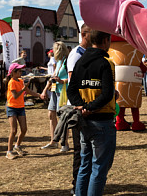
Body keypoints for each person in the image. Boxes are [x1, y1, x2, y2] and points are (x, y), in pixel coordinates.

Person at [68, 30, 116, 196]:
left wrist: (82, 107)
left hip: (84, 121)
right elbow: (108, 94)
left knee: (85, 165)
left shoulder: (80, 62)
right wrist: (90, 107)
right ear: (105, 41)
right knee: (99, 168)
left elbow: (71, 90)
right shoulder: (106, 63)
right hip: (101, 121)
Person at [66, 24, 91, 194]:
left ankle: (86, 184)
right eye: (92, 33)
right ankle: (77, 187)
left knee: (88, 149)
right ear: (84, 34)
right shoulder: (76, 54)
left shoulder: (89, 54)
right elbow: (72, 82)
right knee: (79, 150)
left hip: (89, 108)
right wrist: (80, 105)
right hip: (78, 109)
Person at [40, 41, 70, 152]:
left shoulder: (67, 62)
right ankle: (53, 141)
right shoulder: (58, 62)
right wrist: (44, 90)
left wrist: (62, 81)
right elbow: (53, 77)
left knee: (62, 118)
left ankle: (64, 143)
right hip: (54, 91)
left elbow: (71, 78)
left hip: (62, 92)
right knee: (51, 115)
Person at [5, 63, 39, 160]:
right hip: (12, 108)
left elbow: (28, 92)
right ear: (13, 73)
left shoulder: (20, 81)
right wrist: (23, 89)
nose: (21, 72)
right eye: (19, 71)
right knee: (14, 130)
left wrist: (39, 95)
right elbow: (15, 96)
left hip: (20, 107)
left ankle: (17, 146)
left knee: (24, 129)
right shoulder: (11, 82)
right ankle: (9, 151)